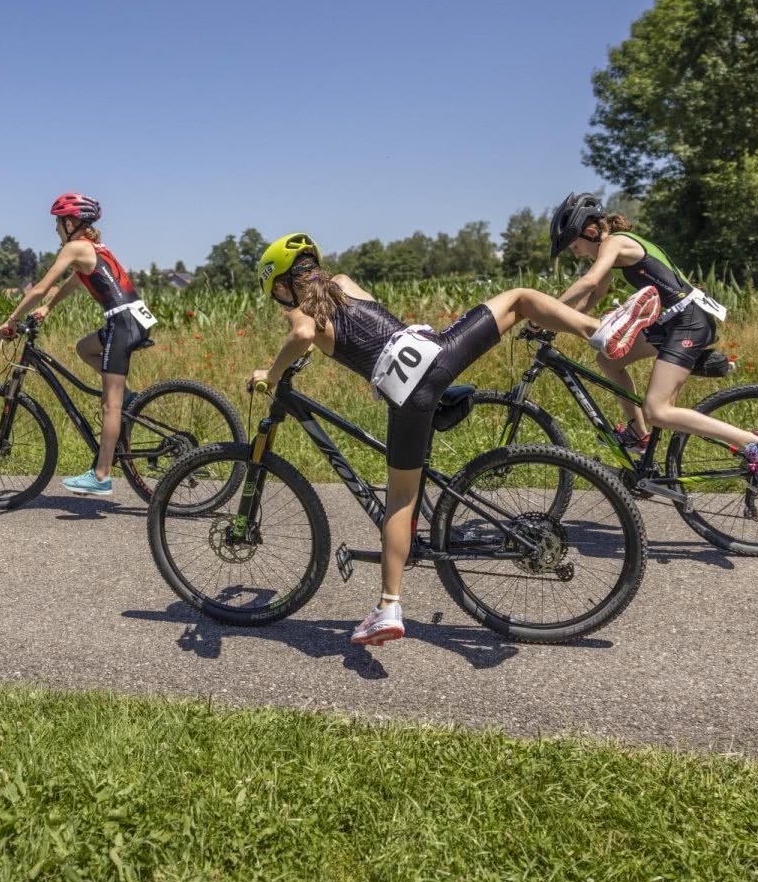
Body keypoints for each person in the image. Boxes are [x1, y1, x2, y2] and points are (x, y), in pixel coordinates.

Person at [248, 233, 662, 647]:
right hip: (439, 355)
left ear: (282, 286)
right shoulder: (345, 282)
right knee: (518, 299)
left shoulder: (301, 312)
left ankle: (388, 608)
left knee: (400, 500)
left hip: (410, 395)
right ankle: (598, 331)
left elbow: (305, 332)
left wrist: (271, 373)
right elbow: (356, 328)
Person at [548, 192, 758, 486]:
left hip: (687, 323)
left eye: (574, 245)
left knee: (658, 410)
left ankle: (755, 443)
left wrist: (545, 310)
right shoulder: (615, 249)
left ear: (589, 230)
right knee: (608, 358)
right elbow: (594, 296)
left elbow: (590, 282)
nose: (575, 252)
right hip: (671, 323)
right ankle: (638, 433)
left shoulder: (615, 242)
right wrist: (553, 323)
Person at [0, 193, 157, 495]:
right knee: (84, 349)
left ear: (70, 223)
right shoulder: (92, 247)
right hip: (131, 319)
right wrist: (47, 308)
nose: (57, 229)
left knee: (111, 403)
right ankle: (128, 399)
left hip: (123, 323)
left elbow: (41, 286)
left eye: (58, 223)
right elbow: (72, 282)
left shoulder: (74, 247)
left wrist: (12, 320)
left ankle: (101, 475)